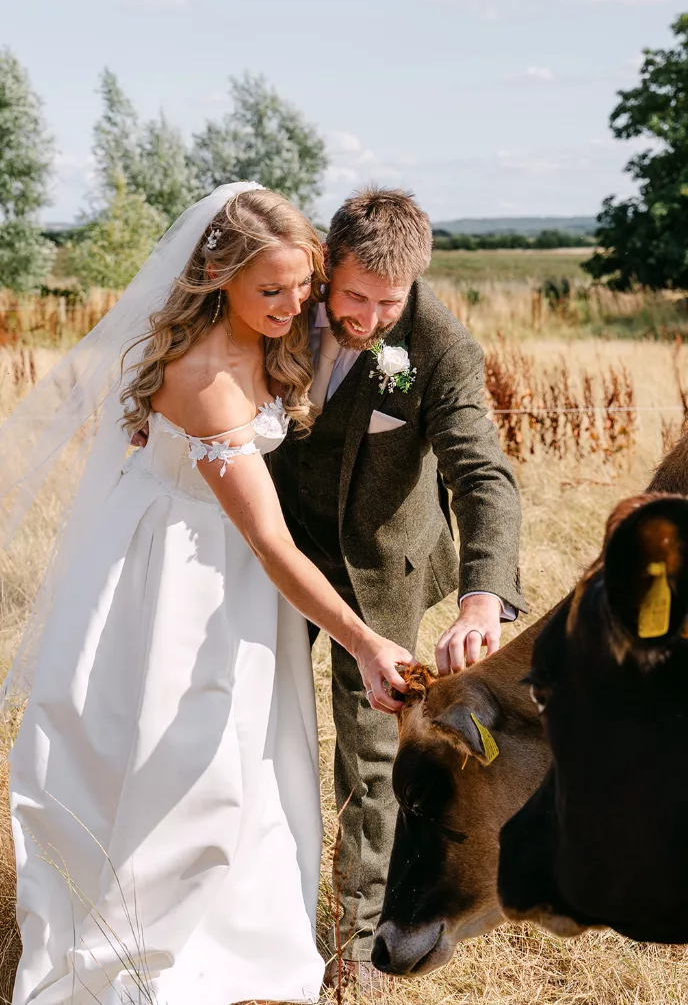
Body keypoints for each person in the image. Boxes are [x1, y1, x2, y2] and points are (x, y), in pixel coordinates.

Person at [1, 184, 412, 1005]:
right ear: (219, 277)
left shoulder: (274, 328)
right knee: (186, 751)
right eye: (272, 289)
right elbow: (270, 541)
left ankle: (240, 920)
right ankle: (149, 940)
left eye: (304, 284)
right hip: (180, 574)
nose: (294, 305)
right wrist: (365, 641)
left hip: (225, 559)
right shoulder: (207, 378)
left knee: (248, 749)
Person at [268, 186, 526, 993]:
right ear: (326, 266)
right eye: (354, 297)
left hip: (382, 572)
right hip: (271, 554)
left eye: (390, 303)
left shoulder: (440, 347)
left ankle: (356, 945)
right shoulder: (277, 301)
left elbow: (482, 475)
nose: (371, 318)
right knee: (245, 719)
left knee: (372, 760)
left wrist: (482, 597)